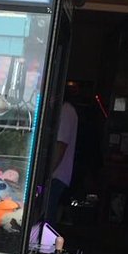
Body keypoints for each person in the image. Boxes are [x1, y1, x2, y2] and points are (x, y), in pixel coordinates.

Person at [47, 91, 78, 227]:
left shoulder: (66, 111)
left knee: (47, 213)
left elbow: (61, 145)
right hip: (56, 174)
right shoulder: (65, 111)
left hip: (56, 175)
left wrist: (48, 173)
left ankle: (47, 246)